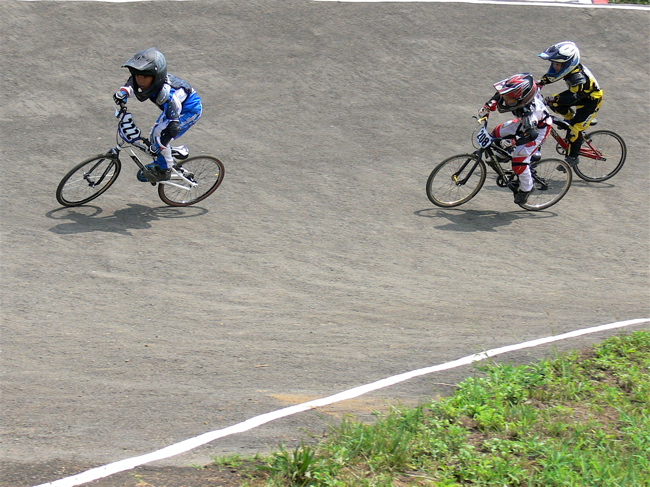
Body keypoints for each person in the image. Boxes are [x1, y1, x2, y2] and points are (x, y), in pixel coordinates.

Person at [113, 48, 202, 182]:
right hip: (173, 111)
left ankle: (164, 170)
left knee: (159, 135)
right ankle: (172, 152)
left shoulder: (168, 97)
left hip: (188, 111)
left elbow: (173, 127)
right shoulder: (151, 81)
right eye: (138, 76)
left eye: (145, 77)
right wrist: (123, 93)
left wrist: (160, 145)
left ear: (156, 77)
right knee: (154, 133)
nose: (141, 81)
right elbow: (132, 83)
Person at [478, 73, 553, 205]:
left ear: (522, 99)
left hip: (538, 130)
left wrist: (513, 142)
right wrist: (489, 105)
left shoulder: (530, 113)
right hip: (524, 123)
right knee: (497, 131)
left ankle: (526, 188)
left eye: (510, 99)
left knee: (519, 160)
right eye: (505, 96)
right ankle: (502, 155)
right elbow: (500, 94)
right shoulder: (517, 98)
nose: (505, 100)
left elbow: (531, 135)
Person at [537, 41, 604, 167]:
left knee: (575, 129)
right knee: (555, 104)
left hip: (591, 100)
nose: (555, 67)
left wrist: (553, 99)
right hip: (580, 94)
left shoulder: (578, 78)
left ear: (568, 63)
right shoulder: (569, 69)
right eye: (554, 63)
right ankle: (573, 120)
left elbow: (572, 98)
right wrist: (539, 83)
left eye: (557, 64)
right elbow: (552, 76)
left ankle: (573, 158)